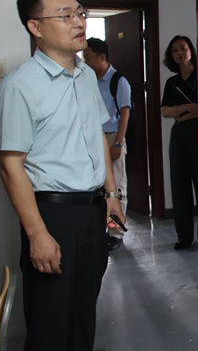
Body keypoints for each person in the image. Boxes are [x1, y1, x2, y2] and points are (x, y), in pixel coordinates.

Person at [0, 0, 126, 351]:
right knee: (50, 323)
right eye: (65, 15)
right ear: (35, 27)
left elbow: (97, 136)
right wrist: (38, 235)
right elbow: (10, 167)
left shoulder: (85, 75)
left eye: (80, 13)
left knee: (83, 315)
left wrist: (111, 194)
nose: (79, 21)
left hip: (93, 211)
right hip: (52, 215)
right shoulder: (19, 87)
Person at [84, 37, 131, 250]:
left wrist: (118, 143)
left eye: (88, 57)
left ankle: (115, 233)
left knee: (117, 186)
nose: (85, 61)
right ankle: (99, 230)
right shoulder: (88, 80)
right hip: (93, 137)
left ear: (102, 57)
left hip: (113, 137)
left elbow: (125, 113)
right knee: (97, 187)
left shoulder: (118, 81)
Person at [161, 35, 198, 250]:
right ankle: (184, 237)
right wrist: (187, 109)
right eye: (175, 50)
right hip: (179, 139)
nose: (180, 52)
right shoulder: (172, 83)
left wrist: (182, 114)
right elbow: (165, 111)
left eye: (183, 48)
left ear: (190, 50)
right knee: (179, 187)